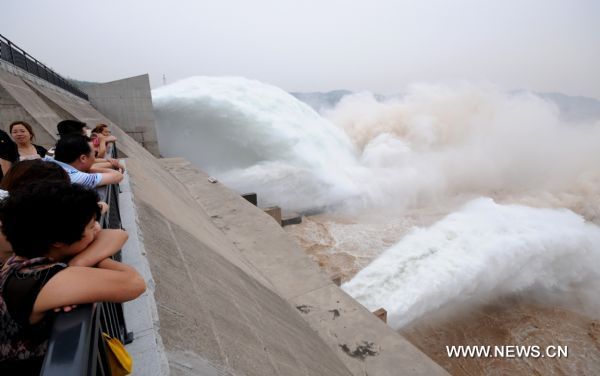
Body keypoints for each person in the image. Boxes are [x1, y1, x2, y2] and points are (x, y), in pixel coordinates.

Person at [0, 182, 145, 374]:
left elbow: (118, 234)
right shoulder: (35, 279)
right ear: (58, 242)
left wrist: (79, 262)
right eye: (90, 225)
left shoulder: (22, 258)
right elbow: (134, 283)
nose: (97, 228)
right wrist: (80, 263)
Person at [50, 134, 123, 188]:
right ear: (83, 158)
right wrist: (91, 169)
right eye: (94, 155)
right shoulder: (75, 176)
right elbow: (118, 176)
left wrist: (107, 160)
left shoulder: (49, 160)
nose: (95, 159)